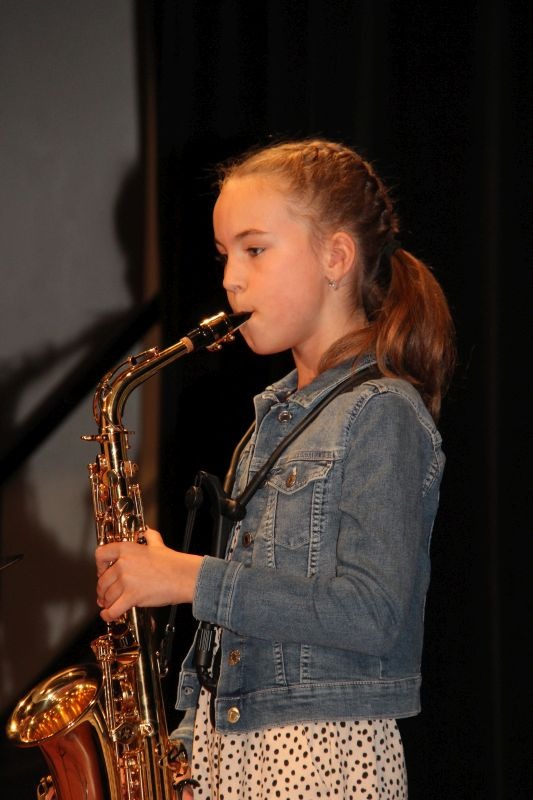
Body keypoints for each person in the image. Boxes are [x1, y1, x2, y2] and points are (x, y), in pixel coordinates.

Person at [95, 139, 455, 799]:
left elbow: (372, 613)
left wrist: (186, 577)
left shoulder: (382, 410)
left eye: (255, 250)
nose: (231, 279)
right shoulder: (272, 420)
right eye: (224, 255)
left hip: (319, 754)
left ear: (336, 258)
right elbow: (235, 637)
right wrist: (185, 751)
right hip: (232, 748)